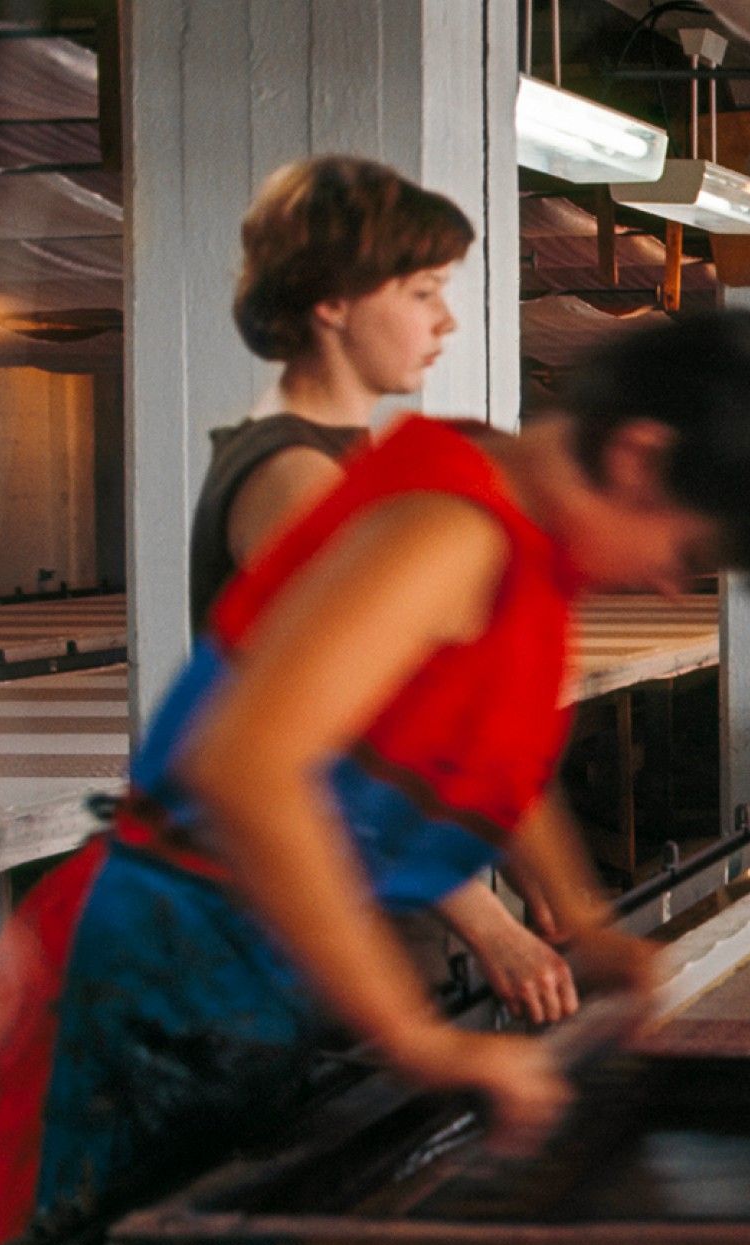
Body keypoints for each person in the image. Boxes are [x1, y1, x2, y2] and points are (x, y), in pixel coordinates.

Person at [0, 310, 750, 1245]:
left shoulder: (521, 536)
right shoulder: (450, 531)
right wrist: (423, 1042)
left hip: (234, 987)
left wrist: (586, 925)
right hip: (143, 994)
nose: (673, 587)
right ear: (638, 459)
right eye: (690, 556)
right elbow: (246, 767)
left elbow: (485, 755)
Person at [200, 154, 577, 1020]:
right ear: (332, 302)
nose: (446, 319)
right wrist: (490, 924)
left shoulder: (356, 470)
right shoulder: (295, 480)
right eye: (421, 292)